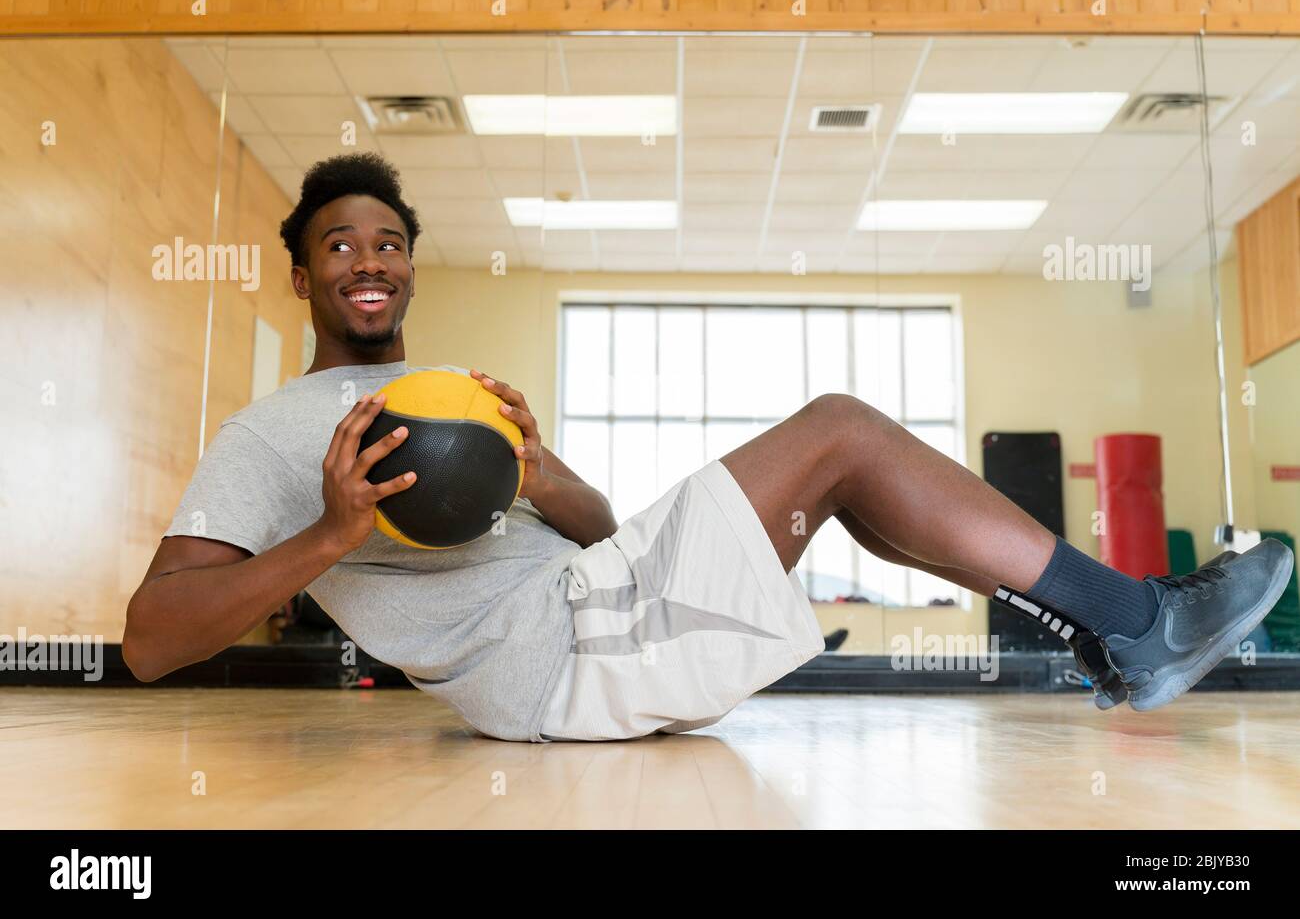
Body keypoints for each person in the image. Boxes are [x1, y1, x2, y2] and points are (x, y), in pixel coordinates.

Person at [124, 152, 1296, 742]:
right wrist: (331, 535)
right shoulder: (270, 432)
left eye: (387, 241)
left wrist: (538, 471)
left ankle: (1106, 635)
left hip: (588, 607)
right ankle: (1142, 620)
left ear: (410, 264)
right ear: (301, 272)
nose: (367, 261)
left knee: (841, 470)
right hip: (554, 661)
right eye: (339, 245)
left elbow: (605, 533)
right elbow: (149, 640)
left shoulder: (448, 399)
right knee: (838, 429)